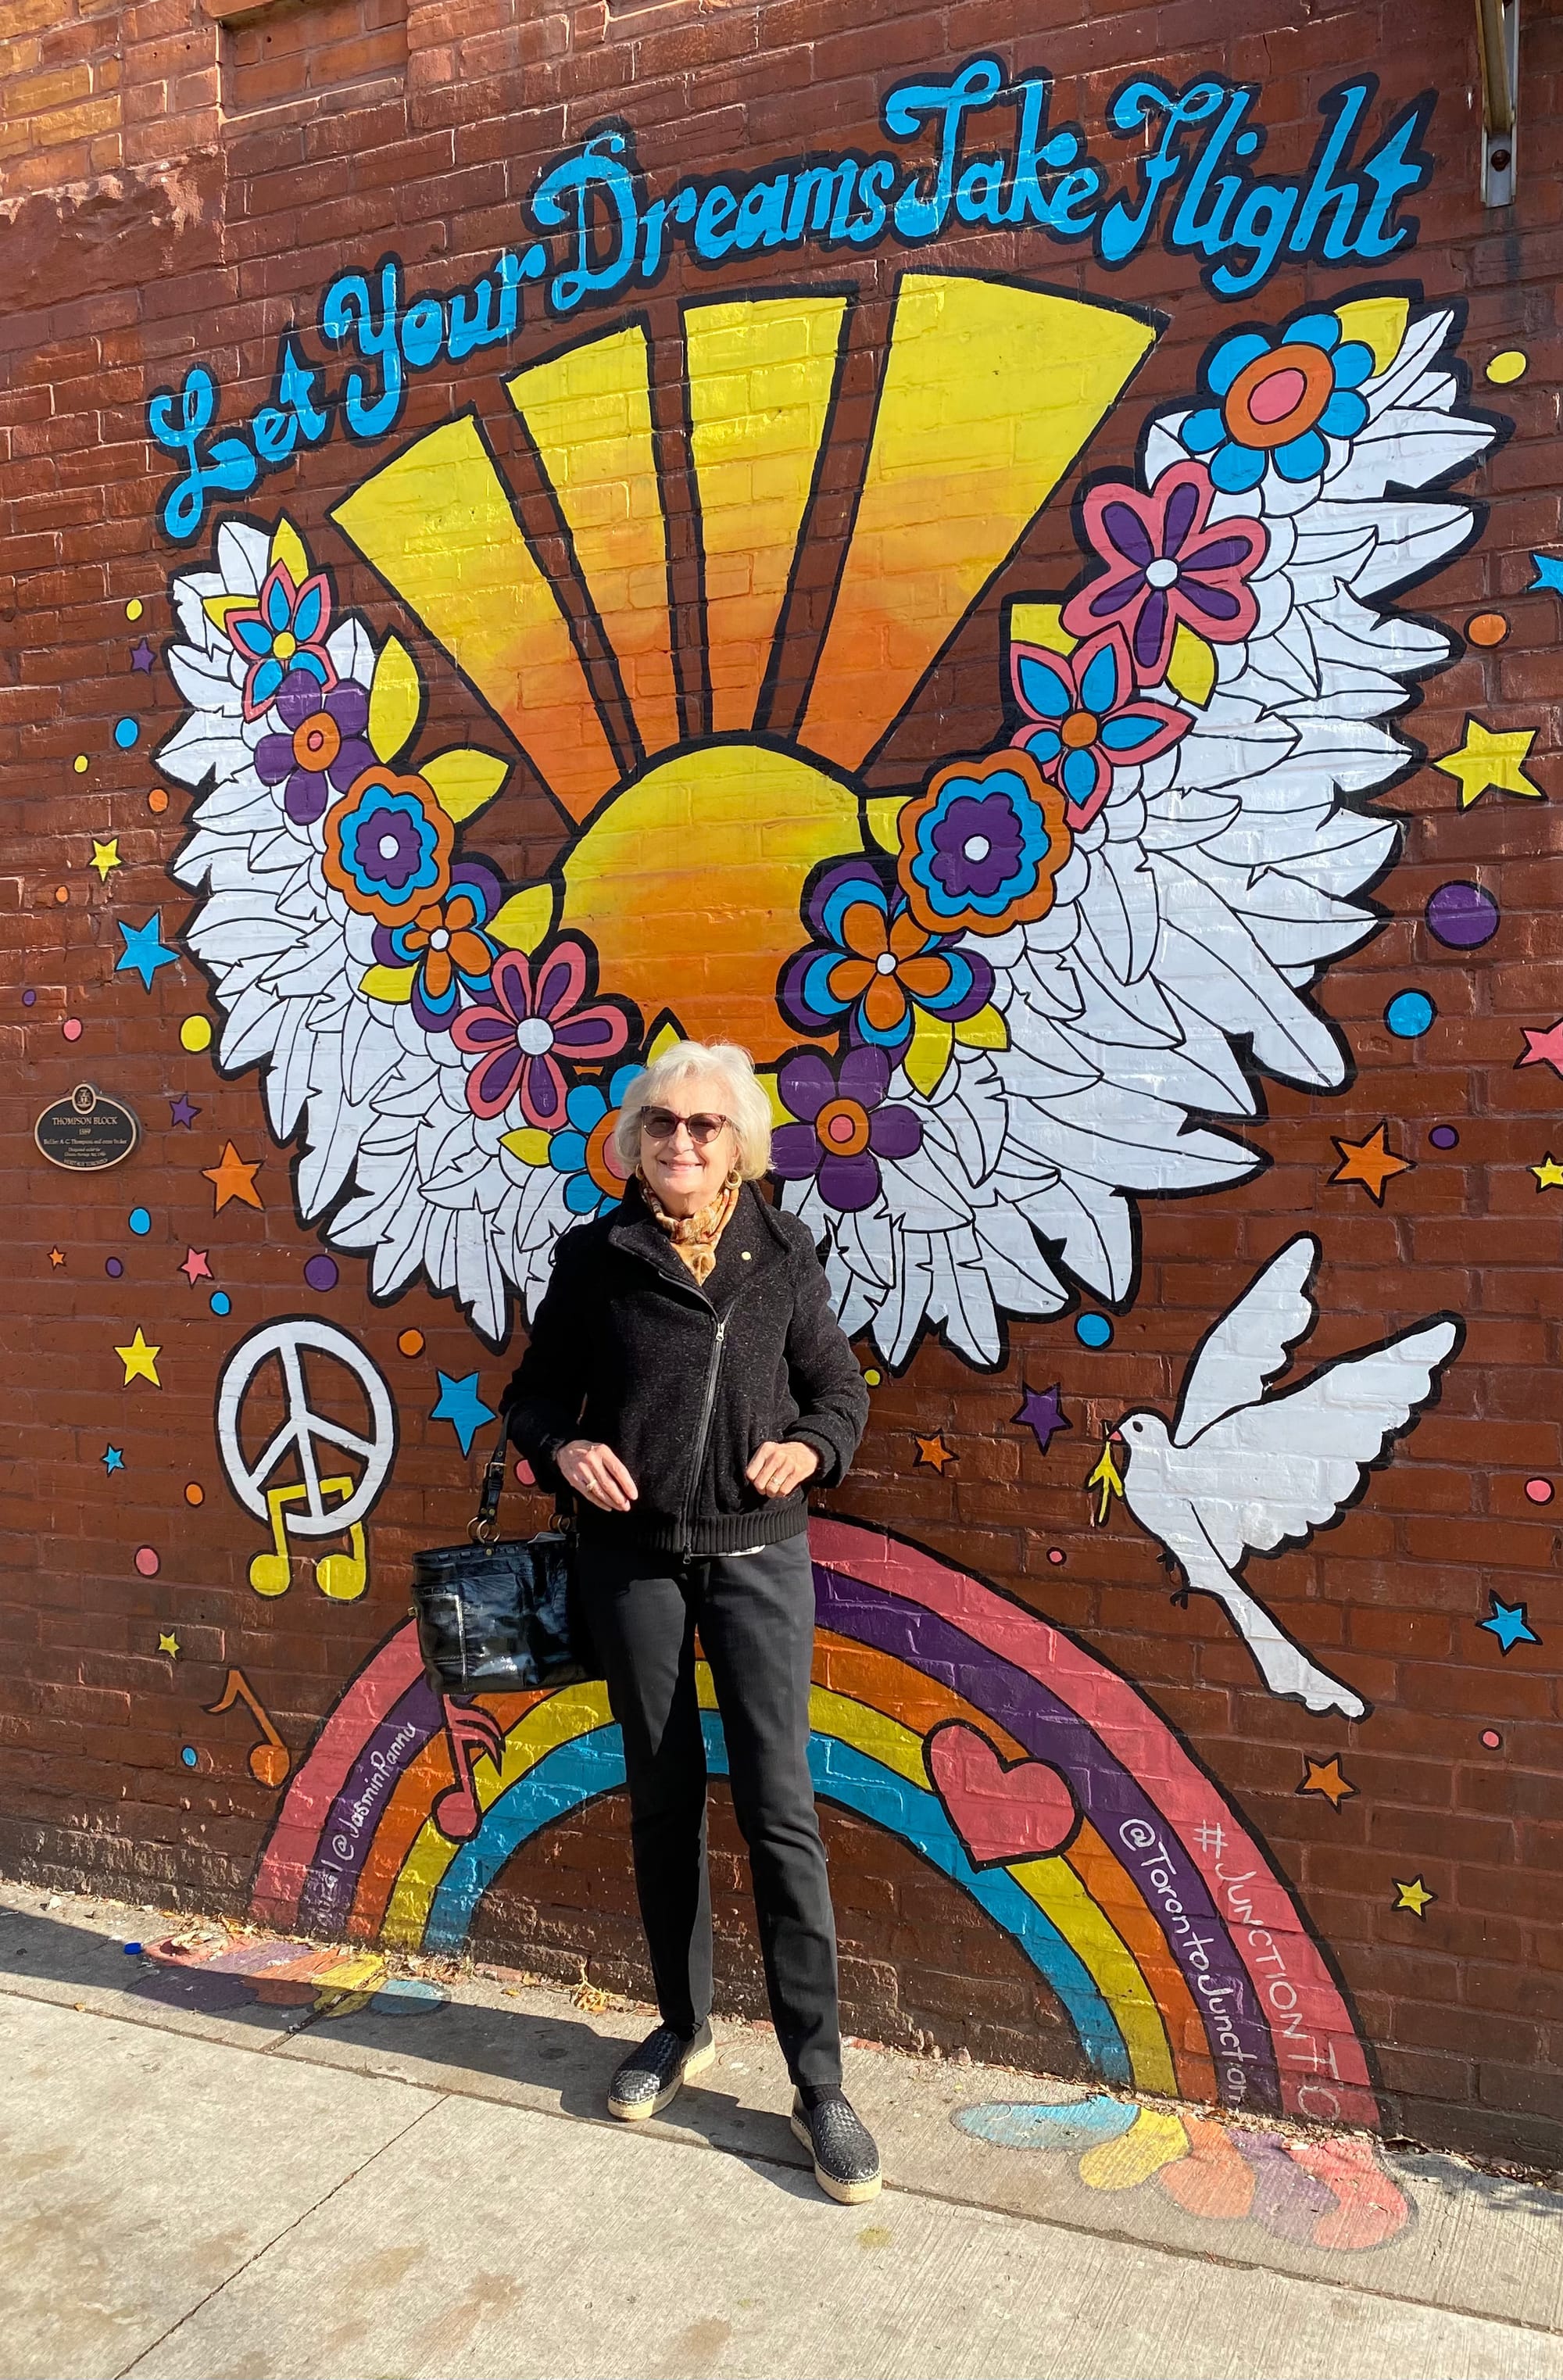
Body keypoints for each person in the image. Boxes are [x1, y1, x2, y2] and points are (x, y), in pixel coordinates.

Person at [506, 1039, 879, 2204]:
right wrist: (564, 1448)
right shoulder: (596, 1258)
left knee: (780, 1814)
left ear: (740, 1143)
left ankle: (819, 2083)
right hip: (632, 1566)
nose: (679, 1140)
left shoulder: (782, 1254)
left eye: (704, 1125)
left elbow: (841, 1391)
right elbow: (532, 1396)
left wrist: (812, 1446)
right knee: (664, 1802)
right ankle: (682, 2026)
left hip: (760, 1560)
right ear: (634, 1140)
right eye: (661, 1123)